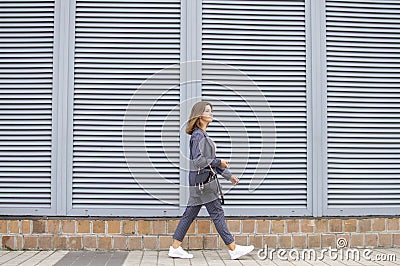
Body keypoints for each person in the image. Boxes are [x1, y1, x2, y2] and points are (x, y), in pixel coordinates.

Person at [168, 101, 254, 260]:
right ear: (199, 115)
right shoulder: (198, 135)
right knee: (217, 213)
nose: (211, 113)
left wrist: (229, 176)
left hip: (199, 183)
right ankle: (233, 248)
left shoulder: (202, 135)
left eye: (211, 111)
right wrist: (219, 162)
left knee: (189, 214)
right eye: (207, 111)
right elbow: (199, 161)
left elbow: (209, 160)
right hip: (204, 183)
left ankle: (175, 247)